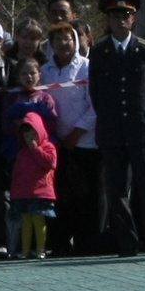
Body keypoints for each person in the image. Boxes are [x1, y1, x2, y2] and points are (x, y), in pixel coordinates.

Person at [87, 0, 145, 256]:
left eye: (126, 15)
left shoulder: (144, 50)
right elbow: (95, 93)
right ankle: (127, 242)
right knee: (117, 188)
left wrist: (143, 117)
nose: (121, 20)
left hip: (140, 127)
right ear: (108, 20)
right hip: (111, 128)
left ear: (133, 19)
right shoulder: (99, 51)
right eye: (115, 16)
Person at [40, 20, 96, 256]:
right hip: (55, 144)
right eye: (58, 40)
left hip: (85, 142)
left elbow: (95, 106)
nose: (63, 44)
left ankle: (86, 242)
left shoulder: (87, 67)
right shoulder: (44, 71)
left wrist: (76, 133)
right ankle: (60, 242)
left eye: (68, 39)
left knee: (85, 196)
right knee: (59, 196)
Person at [8, 108, 58, 258]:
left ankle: (40, 249)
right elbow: (17, 174)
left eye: (33, 134)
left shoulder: (48, 147)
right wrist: (15, 192)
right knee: (26, 222)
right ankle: (24, 250)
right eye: (26, 134)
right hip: (24, 194)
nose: (30, 138)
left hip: (41, 192)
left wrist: (36, 150)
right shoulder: (22, 152)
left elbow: (50, 163)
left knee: (38, 221)